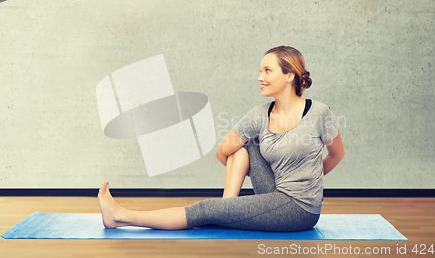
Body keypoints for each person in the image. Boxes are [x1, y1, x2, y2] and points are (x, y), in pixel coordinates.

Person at [97, 46, 345, 231]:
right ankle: (227, 207)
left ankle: (119, 216)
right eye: (260, 71)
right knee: (243, 147)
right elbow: (222, 152)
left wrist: (310, 179)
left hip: (300, 208)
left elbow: (337, 154)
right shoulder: (259, 115)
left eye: (268, 70)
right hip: (274, 190)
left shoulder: (319, 112)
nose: (260, 76)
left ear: (289, 76)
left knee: (204, 209)